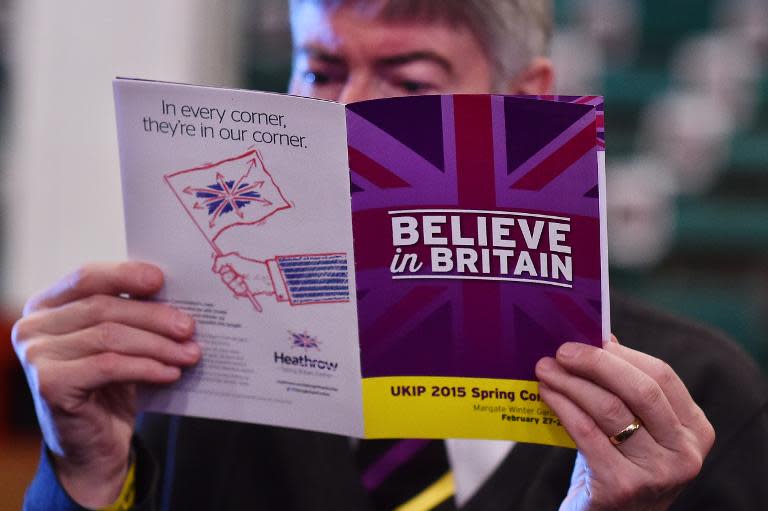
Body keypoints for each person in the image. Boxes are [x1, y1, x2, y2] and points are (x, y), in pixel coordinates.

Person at [13, 1, 768, 510]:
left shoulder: (690, 405)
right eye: (321, 70)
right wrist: (85, 472)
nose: (344, 117)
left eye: (410, 81)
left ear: (521, 101)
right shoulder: (193, 369)